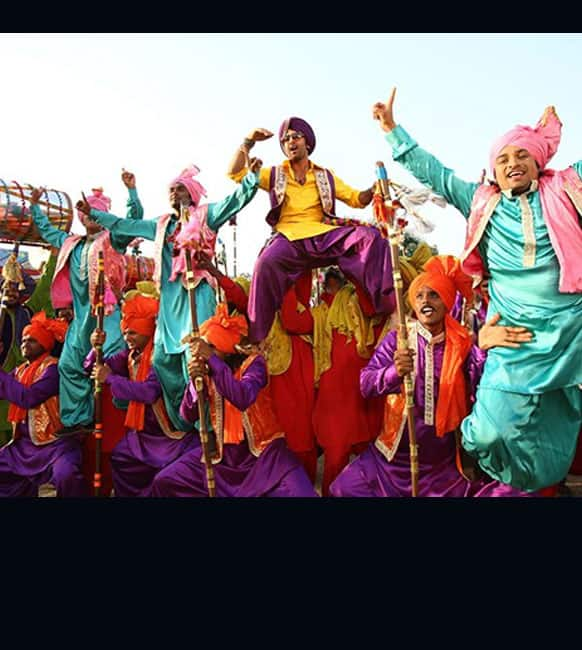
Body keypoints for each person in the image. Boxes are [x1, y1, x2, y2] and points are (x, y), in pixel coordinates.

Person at [372, 88, 582, 491]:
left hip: (570, 332)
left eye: (522, 154)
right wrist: (392, 130)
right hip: (511, 338)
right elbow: (436, 174)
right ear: (494, 172)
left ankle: (539, 485)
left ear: (539, 162)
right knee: (486, 434)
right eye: (503, 159)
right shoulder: (483, 202)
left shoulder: (566, 189)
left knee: (557, 428)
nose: (513, 163)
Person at [330, 256, 534, 498]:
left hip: (438, 467)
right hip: (390, 459)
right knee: (342, 489)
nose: (425, 301)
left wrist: (482, 347)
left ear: (447, 301)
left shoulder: (461, 344)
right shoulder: (398, 339)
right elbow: (366, 384)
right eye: (419, 296)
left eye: (434, 294)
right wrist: (394, 372)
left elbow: (481, 385)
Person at [84, 162, 261, 432]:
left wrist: (251, 177)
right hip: (169, 303)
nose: (175, 193)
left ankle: (208, 429)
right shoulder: (160, 226)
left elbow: (234, 201)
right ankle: (183, 422)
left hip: (197, 297)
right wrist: (94, 214)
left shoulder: (206, 215)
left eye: (180, 189)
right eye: (171, 189)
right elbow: (125, 224)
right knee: (162, 362)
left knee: (198, 363)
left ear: (191, 194)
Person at [227, 117, 396, 343]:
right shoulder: (275, 174)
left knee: (371, 237)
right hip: (289, 238)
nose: (290, 142)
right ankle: (256, 338)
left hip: (323, 234)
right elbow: (234, 173)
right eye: (285, 140)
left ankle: (385, 307)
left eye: (295, 136)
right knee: (264, 263)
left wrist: (374, 188)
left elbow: (357, 199)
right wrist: (248, 141)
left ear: (307, 142)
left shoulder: (324, 175)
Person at [151, 303, 318, 497]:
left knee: (302, 493)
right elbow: (186, 415)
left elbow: (243, 397)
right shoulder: (208, 370)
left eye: (212, 347)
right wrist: (195, 386)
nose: (204, 352)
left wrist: (211, 360)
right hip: (223, 458)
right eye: (205, 347)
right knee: (165, 480)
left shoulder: (254, 364)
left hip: (264, 456)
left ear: (227, 348)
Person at [29, 171, 144, 433]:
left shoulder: (112, 239)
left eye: (96, 213)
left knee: (116, 359)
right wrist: (35, 206)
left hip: (110, 317)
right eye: (88, 213)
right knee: (69, 365)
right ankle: (78, 420)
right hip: (82, 320)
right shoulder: (71, 244)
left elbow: (133, 221)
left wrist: (132, 192)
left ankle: (125, 413)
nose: (91, 217)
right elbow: (48, 231)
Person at [85, 282, 197, 497]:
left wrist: (109, 379)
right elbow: (92, 367)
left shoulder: (161, 357)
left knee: (164, 477)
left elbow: (149, 392)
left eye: (133, 333)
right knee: (120, 457)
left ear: (148, 331)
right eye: (125, 333)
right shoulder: (129, 356)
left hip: (167, 434)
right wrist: (94, 348)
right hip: (141, 434)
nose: (127, 338)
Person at [0, 311, 88, 497]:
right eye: (23, 340)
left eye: (31, 340)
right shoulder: (20, 370)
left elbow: (29, 397)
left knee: (66, 475)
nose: (25, 344)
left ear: (44, 344)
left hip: (55, 443)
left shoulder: (53, 369)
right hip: (23, 446)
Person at [0, 250, 58, 446]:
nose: (11, 292)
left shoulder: (28, 312)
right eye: (7, 289)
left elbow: (45, 287)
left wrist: (54, 256)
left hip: (22, 385)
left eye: (16, 289)